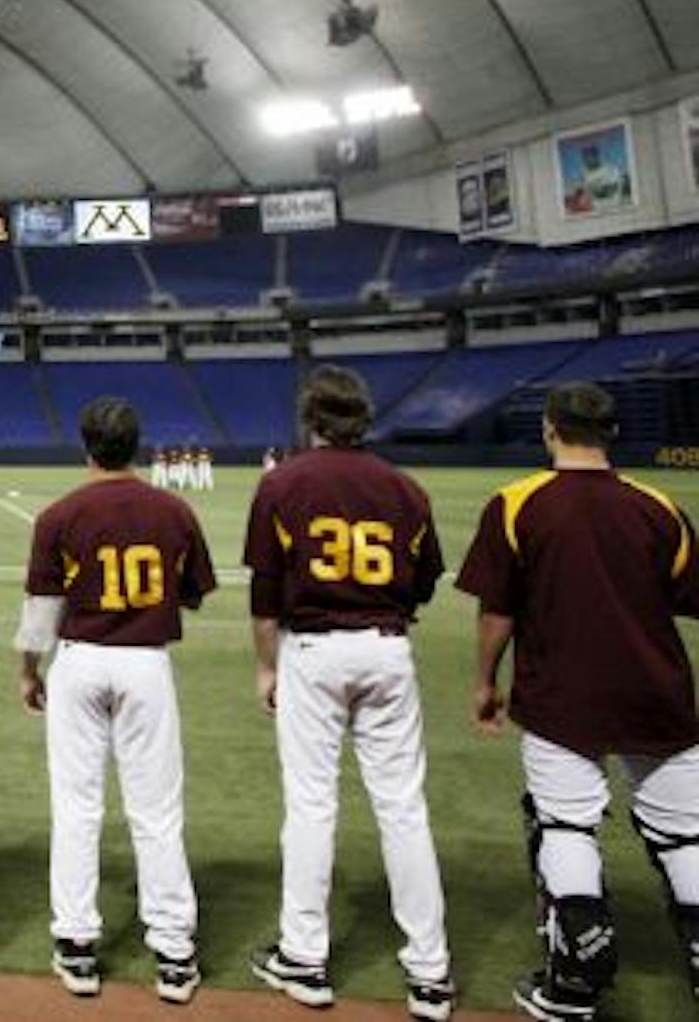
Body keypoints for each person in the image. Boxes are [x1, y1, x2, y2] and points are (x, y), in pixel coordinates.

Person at [459, 381, 699, 1022]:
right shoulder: (659, 507)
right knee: (683, 836)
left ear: (549, 430)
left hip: (562, 695)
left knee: (566, 826)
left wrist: (485, 680)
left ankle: (576, 981)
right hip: (660, 693)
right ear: (612, 433)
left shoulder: (517, 503)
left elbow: (498, 610)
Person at [245, 366, 452, 1020]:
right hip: (387, 647)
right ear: (364, 418)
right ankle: (430, 972)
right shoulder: (405, 489)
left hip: (313, 649)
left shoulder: (282, 483)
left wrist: (266, 667)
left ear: (311, 419)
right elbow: (424, 582)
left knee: (311, 805)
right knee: (403, 809)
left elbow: (264, 594)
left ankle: (305, 959)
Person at [17, 397, 213, 1003]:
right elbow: (194, 595)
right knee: (156, 812)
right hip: (146, 663)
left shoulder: (58, 515)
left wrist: (29, 671)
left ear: (86, 446)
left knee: (76, 809)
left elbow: (40, 613)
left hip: (79, 660)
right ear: (136, 445)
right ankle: (174, 954)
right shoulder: (173, 510)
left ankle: (76, 946)